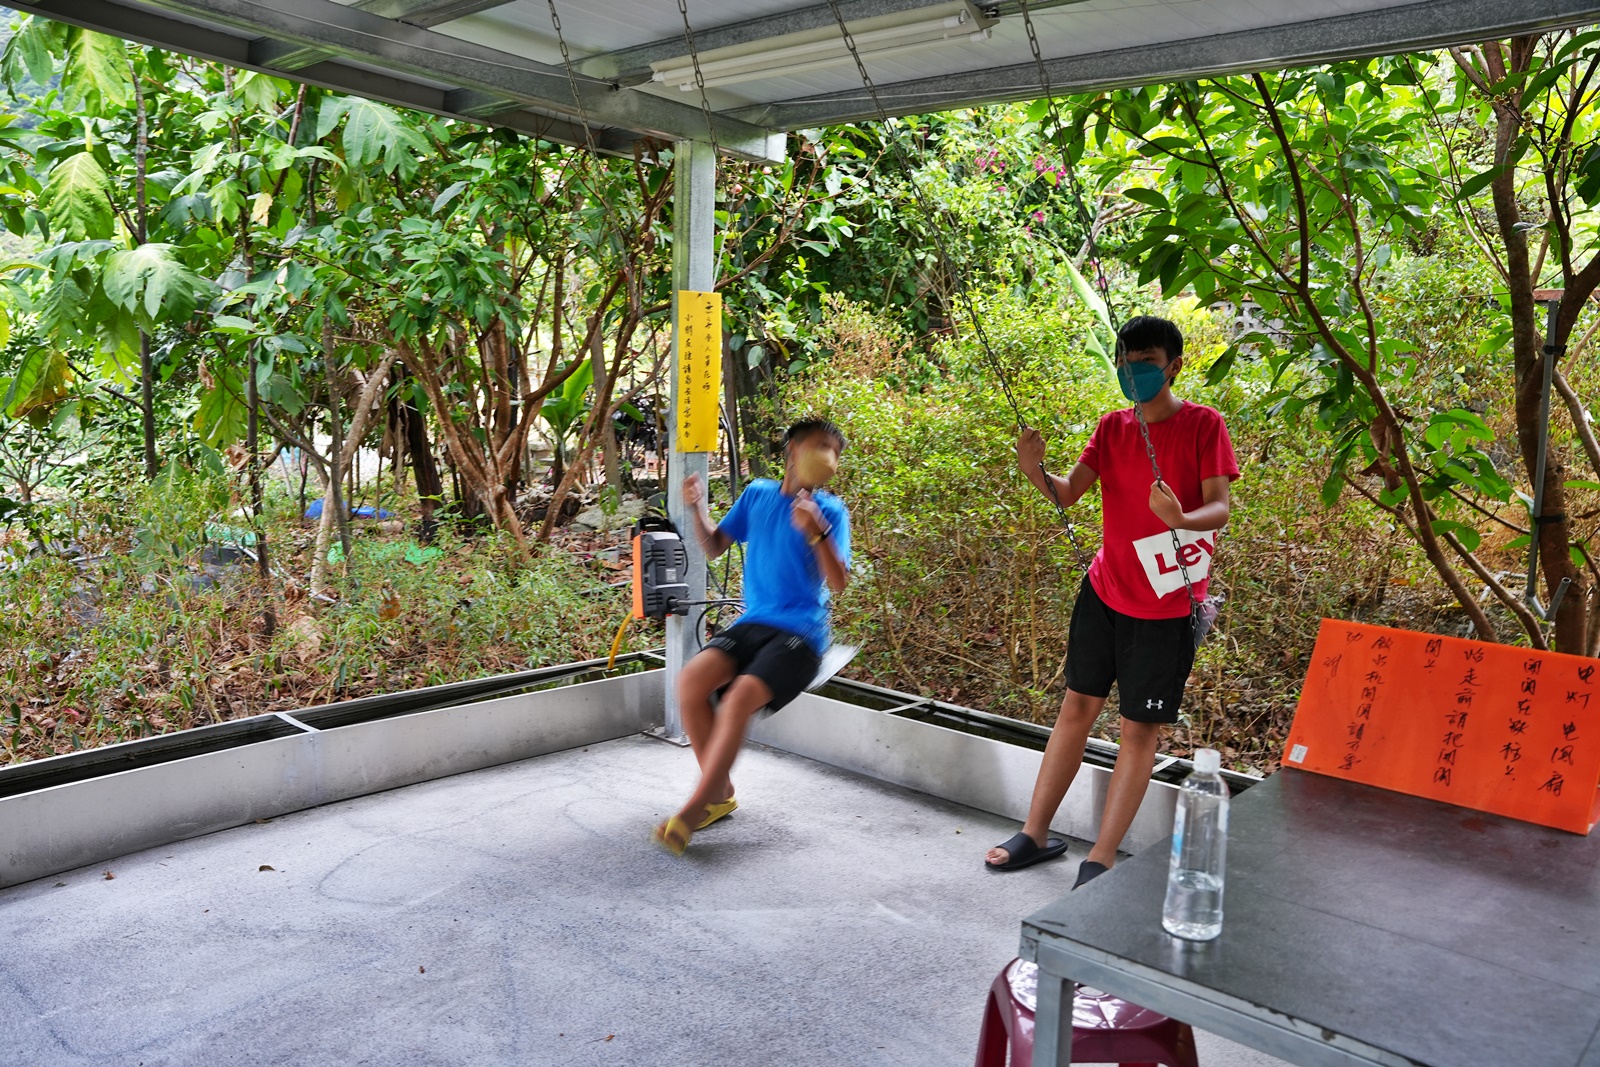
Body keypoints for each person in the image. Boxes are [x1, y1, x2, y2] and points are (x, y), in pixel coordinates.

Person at [986, 315, 1239, 887]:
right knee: (1075, 707)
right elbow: (1068, 493)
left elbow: (1219, 507)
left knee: (1136, 732)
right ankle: (1034, 832)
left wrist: (1180, 517)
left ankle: (1099, 859)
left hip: (1169, 605)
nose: (1132, 370)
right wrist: (1035, 471)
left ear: (1174, 365)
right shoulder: (1112, 427)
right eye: (1124, 360)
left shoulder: (1204, 424)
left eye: (1145, 361)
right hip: (1104, 590)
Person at [653, 418, 852, 855]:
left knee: (740, 698)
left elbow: (838, 582)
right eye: (822, 446)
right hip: (752, 623)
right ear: (793, 451)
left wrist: (815, 530)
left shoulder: (831, 512)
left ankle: (693, 807)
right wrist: (697, 507)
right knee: (691, 683)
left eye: (836, 451)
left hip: (801, 633)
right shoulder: (758, 494)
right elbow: (715, 544)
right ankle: (718, 793)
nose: (830, 458)